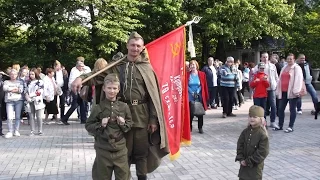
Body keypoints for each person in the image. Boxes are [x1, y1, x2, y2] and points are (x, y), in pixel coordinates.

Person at [72, 32, 169, 180]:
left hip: (142, 115)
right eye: (132, 45)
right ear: (127, 45)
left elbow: (153, 96)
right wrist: (81, 78)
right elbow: (98, 76)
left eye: (138, 46)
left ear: (142, 48)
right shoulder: (117, 66)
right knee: (125, 151)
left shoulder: (147, 67)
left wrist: (153, 119)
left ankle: (142, 177)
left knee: (142, 151)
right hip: (122, 114)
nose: (135, 48)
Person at [85, 74, 132, 180]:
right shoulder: (98, 107)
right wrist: (101, 125)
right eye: (109, 88)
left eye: (114, 88)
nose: (112, 91)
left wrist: (123, 123)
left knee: (123, 177)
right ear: (104, 88)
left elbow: (129, 125)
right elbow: (88, 126)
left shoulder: (124, 107)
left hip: (120, 150)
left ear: (118, 89)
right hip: (103, 149)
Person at [236, 105, 269, 180]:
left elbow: (262, 152)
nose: (252, 118)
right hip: (243, 168)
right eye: (250, 116)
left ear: (261, 119)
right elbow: (240, 145)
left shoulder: (262, 134)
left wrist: (248, 161)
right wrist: (241, 158)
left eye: (255, 117)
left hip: (255, 168)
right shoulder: (245, 132)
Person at [274, 53, 304, 133]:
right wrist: (278, 89)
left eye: (291, 59)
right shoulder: (284, 68)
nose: (289, 60)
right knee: (280, 109)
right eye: (288, 59)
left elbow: (298, 80)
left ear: (294, 60)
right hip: (283, 91)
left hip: (292, 92)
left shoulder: (296, 68)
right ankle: (280, 125)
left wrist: (296, 91)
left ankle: (291, 126)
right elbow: (280, 79)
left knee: (292, 109)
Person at [253, 52, 278, 128]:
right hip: (262, 89)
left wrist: (276, 85)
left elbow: (276, 77)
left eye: (266, 57)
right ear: (261, 58)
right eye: (263, 57)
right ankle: (263, 122)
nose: (265, 58)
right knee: (263, 107)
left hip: (271, 88)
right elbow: (253, 77)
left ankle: (273, 121)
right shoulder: (257, 67)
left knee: (273, 105)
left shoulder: (272, 66)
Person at [61, 61, 87, 125]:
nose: (82, 68)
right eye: (81, 66)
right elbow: (72, 82)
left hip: (81, 89)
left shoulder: (82, 71)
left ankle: (83, 119)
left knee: (83, 104)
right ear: (77, 66)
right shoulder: (74, 71)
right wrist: (73, 91)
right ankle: (65, 118)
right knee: (74, 105)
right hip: (75, 89)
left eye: (83, 66)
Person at [188, 60, 209, 133]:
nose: (192, 66)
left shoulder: (201, 74)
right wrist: (191, 92)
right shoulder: (187, 75)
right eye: (191, 65)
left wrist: (197, 92)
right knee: (190, 112)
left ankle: (200, 127)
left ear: (196, 65)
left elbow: (202, 85)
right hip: (190, 95)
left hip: (199, 95)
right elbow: (186, 85)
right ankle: (189, 126)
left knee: (200, 111)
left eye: (193, 64)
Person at [3, 69, 24, 138]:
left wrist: (10, 89)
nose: (13, 75)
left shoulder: (20, 82)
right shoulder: (6, 82)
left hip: (18, 101)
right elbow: (5, 88)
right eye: (11, 74)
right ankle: (10, 131)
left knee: (17, 117)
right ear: (9, 75)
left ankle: (16, 130)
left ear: (17, 75)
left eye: (14, 74)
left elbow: (20, 90)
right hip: (9, 101)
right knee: (9, 117)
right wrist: (14, 89)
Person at [25, 68, 45, 136]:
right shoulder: (28, 82)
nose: (31, 75)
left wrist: (30, 95)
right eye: (30, 74)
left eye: (32, 74)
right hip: (29, 101)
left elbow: (39, 92)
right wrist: (27, 97)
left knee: (39, 116)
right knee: (31, 116)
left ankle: (40, 130)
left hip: (37, 100)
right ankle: (32, 130)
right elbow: (25, 91)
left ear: (36, 74)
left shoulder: (40, 82)